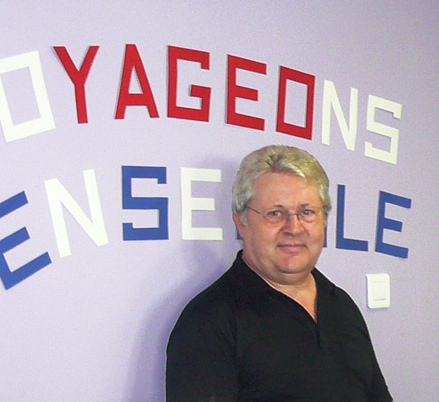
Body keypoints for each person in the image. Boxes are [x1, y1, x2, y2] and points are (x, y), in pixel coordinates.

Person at [166, 145, 392, 401]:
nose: (293, 228)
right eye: (275, 213)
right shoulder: (208, 323)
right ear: (241, 222)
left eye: (307, 212)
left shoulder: (341, 305)